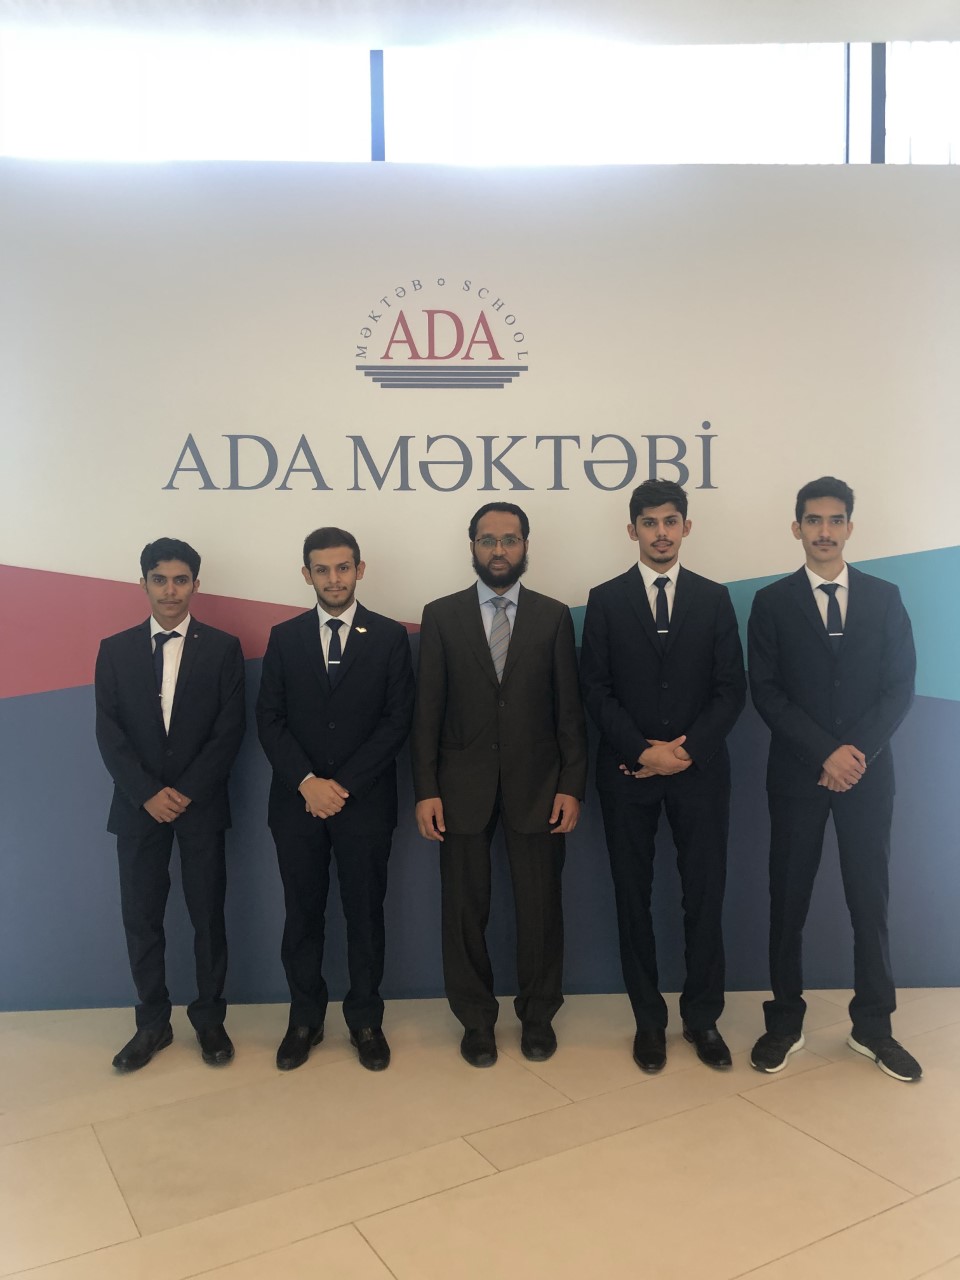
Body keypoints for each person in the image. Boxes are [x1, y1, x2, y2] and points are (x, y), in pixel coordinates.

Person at [748, 477, 921, 1081]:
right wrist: (825, 753)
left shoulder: (885, 597)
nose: (825, 531)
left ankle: (873, 1027)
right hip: (797, 776)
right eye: (814, 520)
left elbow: (899, 687)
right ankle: (784, 1022)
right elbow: (767, 692)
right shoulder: (771, 603)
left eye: (835, 519)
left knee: (869, 901)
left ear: (850, 527)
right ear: (796, 527)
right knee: (787, 899)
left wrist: (855, 755)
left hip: (867, 777)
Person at [411, 502, 587, 1067]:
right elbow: (427, 713)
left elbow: (569, 712)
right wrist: (426, 788)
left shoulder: (553, 616)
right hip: (460, 789)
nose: (499, 550)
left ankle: (538, 1017)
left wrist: (572, 785)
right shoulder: (441, 616)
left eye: (510, 539)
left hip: (539, 787)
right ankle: (476, 1021)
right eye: (488, 540)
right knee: (464, 911)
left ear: (525, 545)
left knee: (541, 910)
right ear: (472, 547)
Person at [580, 480, 746, 1073]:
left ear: (686, 527)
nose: (660, 533)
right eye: (649, 523)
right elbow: (594, 688)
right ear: (632, 530)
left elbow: (731, 689)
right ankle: (648, 1021)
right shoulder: (605, 600)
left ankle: (703, 1019)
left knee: (704, 897)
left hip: (700, 774)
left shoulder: (714, 598)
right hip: (629, 773)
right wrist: (641, 750)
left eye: (670, 521)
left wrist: (687, 750)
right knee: (633, 898)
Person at [257, 527, 414, 1072]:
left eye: (343, 567)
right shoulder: (284, 637)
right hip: (297, 804)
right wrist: (307, 781)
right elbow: (269, 718)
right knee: (302, 914)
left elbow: (397, 721)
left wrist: (339, 786)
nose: (333, 579)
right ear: (307, 575)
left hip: (363, 803)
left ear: (359, 570)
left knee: (365, 914)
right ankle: (305, 1019)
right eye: (321, 569)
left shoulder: (389, 637)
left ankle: (366, 1020)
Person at [95, 538, 245, 1071]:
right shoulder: (114, 650)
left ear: (195, 585)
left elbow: (229, 731)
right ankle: (152, 1024)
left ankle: (210, 1021)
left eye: (181, 580)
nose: (170, 590)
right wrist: (147, 793)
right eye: (159, 579)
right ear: (143, 583)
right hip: (138, 807)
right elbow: (109, 732)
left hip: (199, 804)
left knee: (208, 916)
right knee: (141, 918)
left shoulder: (223, 648)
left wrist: (184, 792)